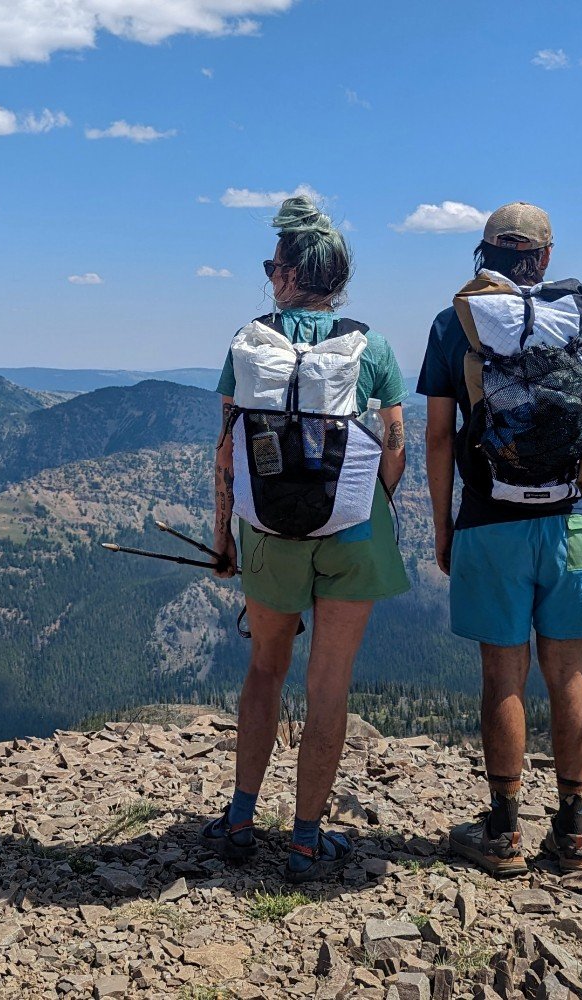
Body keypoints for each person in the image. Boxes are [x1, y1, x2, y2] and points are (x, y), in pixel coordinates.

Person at [200, 195, 410, 882]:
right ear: (339, 278)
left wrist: (224, 537)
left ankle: (238, 820)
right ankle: (305, 840)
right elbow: (396, 447)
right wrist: (368, 506)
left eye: (272, 266)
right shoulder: (371, 346)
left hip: (267, 533)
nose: (270, 277)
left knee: (264, 670)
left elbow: (228, 452)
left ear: (289, 275)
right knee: (329, 685)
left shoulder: (249, 341)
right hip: (352, 531)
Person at [416, 202, 582, 877]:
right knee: (568, 672)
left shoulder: (456, 324)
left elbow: (439, 436)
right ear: (543, 255)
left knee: (501, 673)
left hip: (491, 520)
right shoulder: (580, 320)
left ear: (486, 254)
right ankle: (572, 832)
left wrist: (444, 524)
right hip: (576, 519)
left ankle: (504, 830)